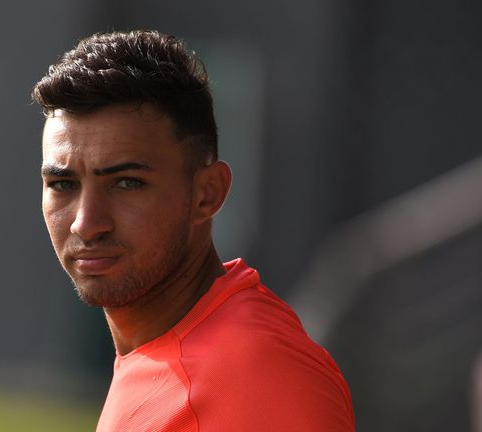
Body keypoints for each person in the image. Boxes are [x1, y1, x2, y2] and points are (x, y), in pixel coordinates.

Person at [32, 30, 355, 431]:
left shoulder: (255, 373)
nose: (87, 222)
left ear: (208, 194)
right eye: (63, 185)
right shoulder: (163, 353)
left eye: (127, 183)